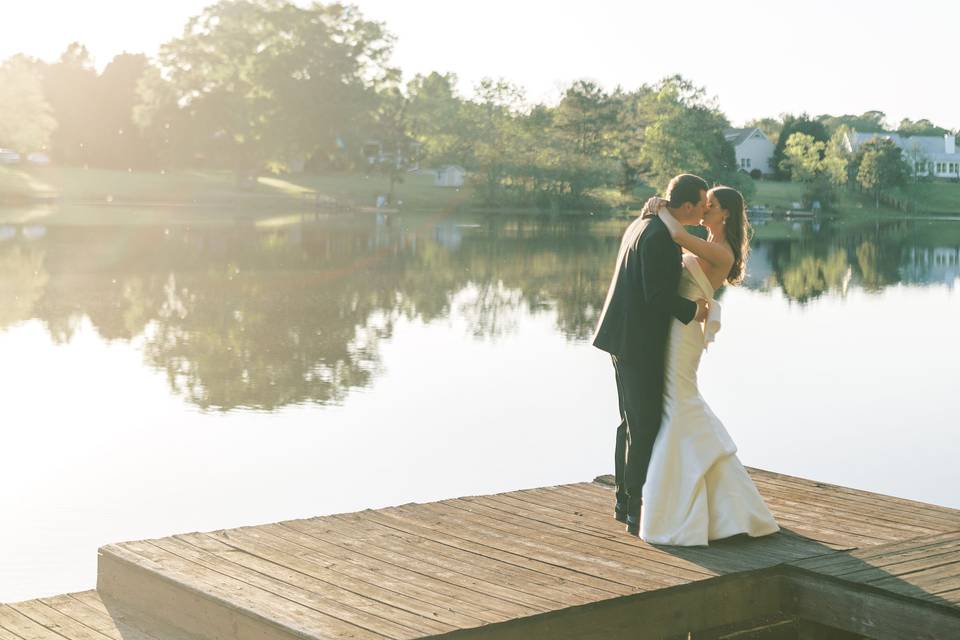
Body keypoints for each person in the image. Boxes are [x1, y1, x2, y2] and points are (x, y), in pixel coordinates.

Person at [638, 186, 780, 545]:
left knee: (680, 402)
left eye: (711, 206)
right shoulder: (706, 243)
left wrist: (660, 208)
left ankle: (675, 502)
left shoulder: (721, 250)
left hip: (685, 336)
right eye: (704, 203)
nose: (704, 208)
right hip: (678, 328)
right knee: (680, 403)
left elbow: (677, 235)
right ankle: (723, 502)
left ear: (726, 214)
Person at [592, 174, 710, 536]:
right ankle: (634, 511)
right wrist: (695, 311)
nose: (705, 209)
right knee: (643, 425)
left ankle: (623, 501)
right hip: (638, 340)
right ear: (686, 206)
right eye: (702, 204)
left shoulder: (645, 222)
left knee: (631, 421)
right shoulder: (659, 236)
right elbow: (656, 295)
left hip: (622, 336)